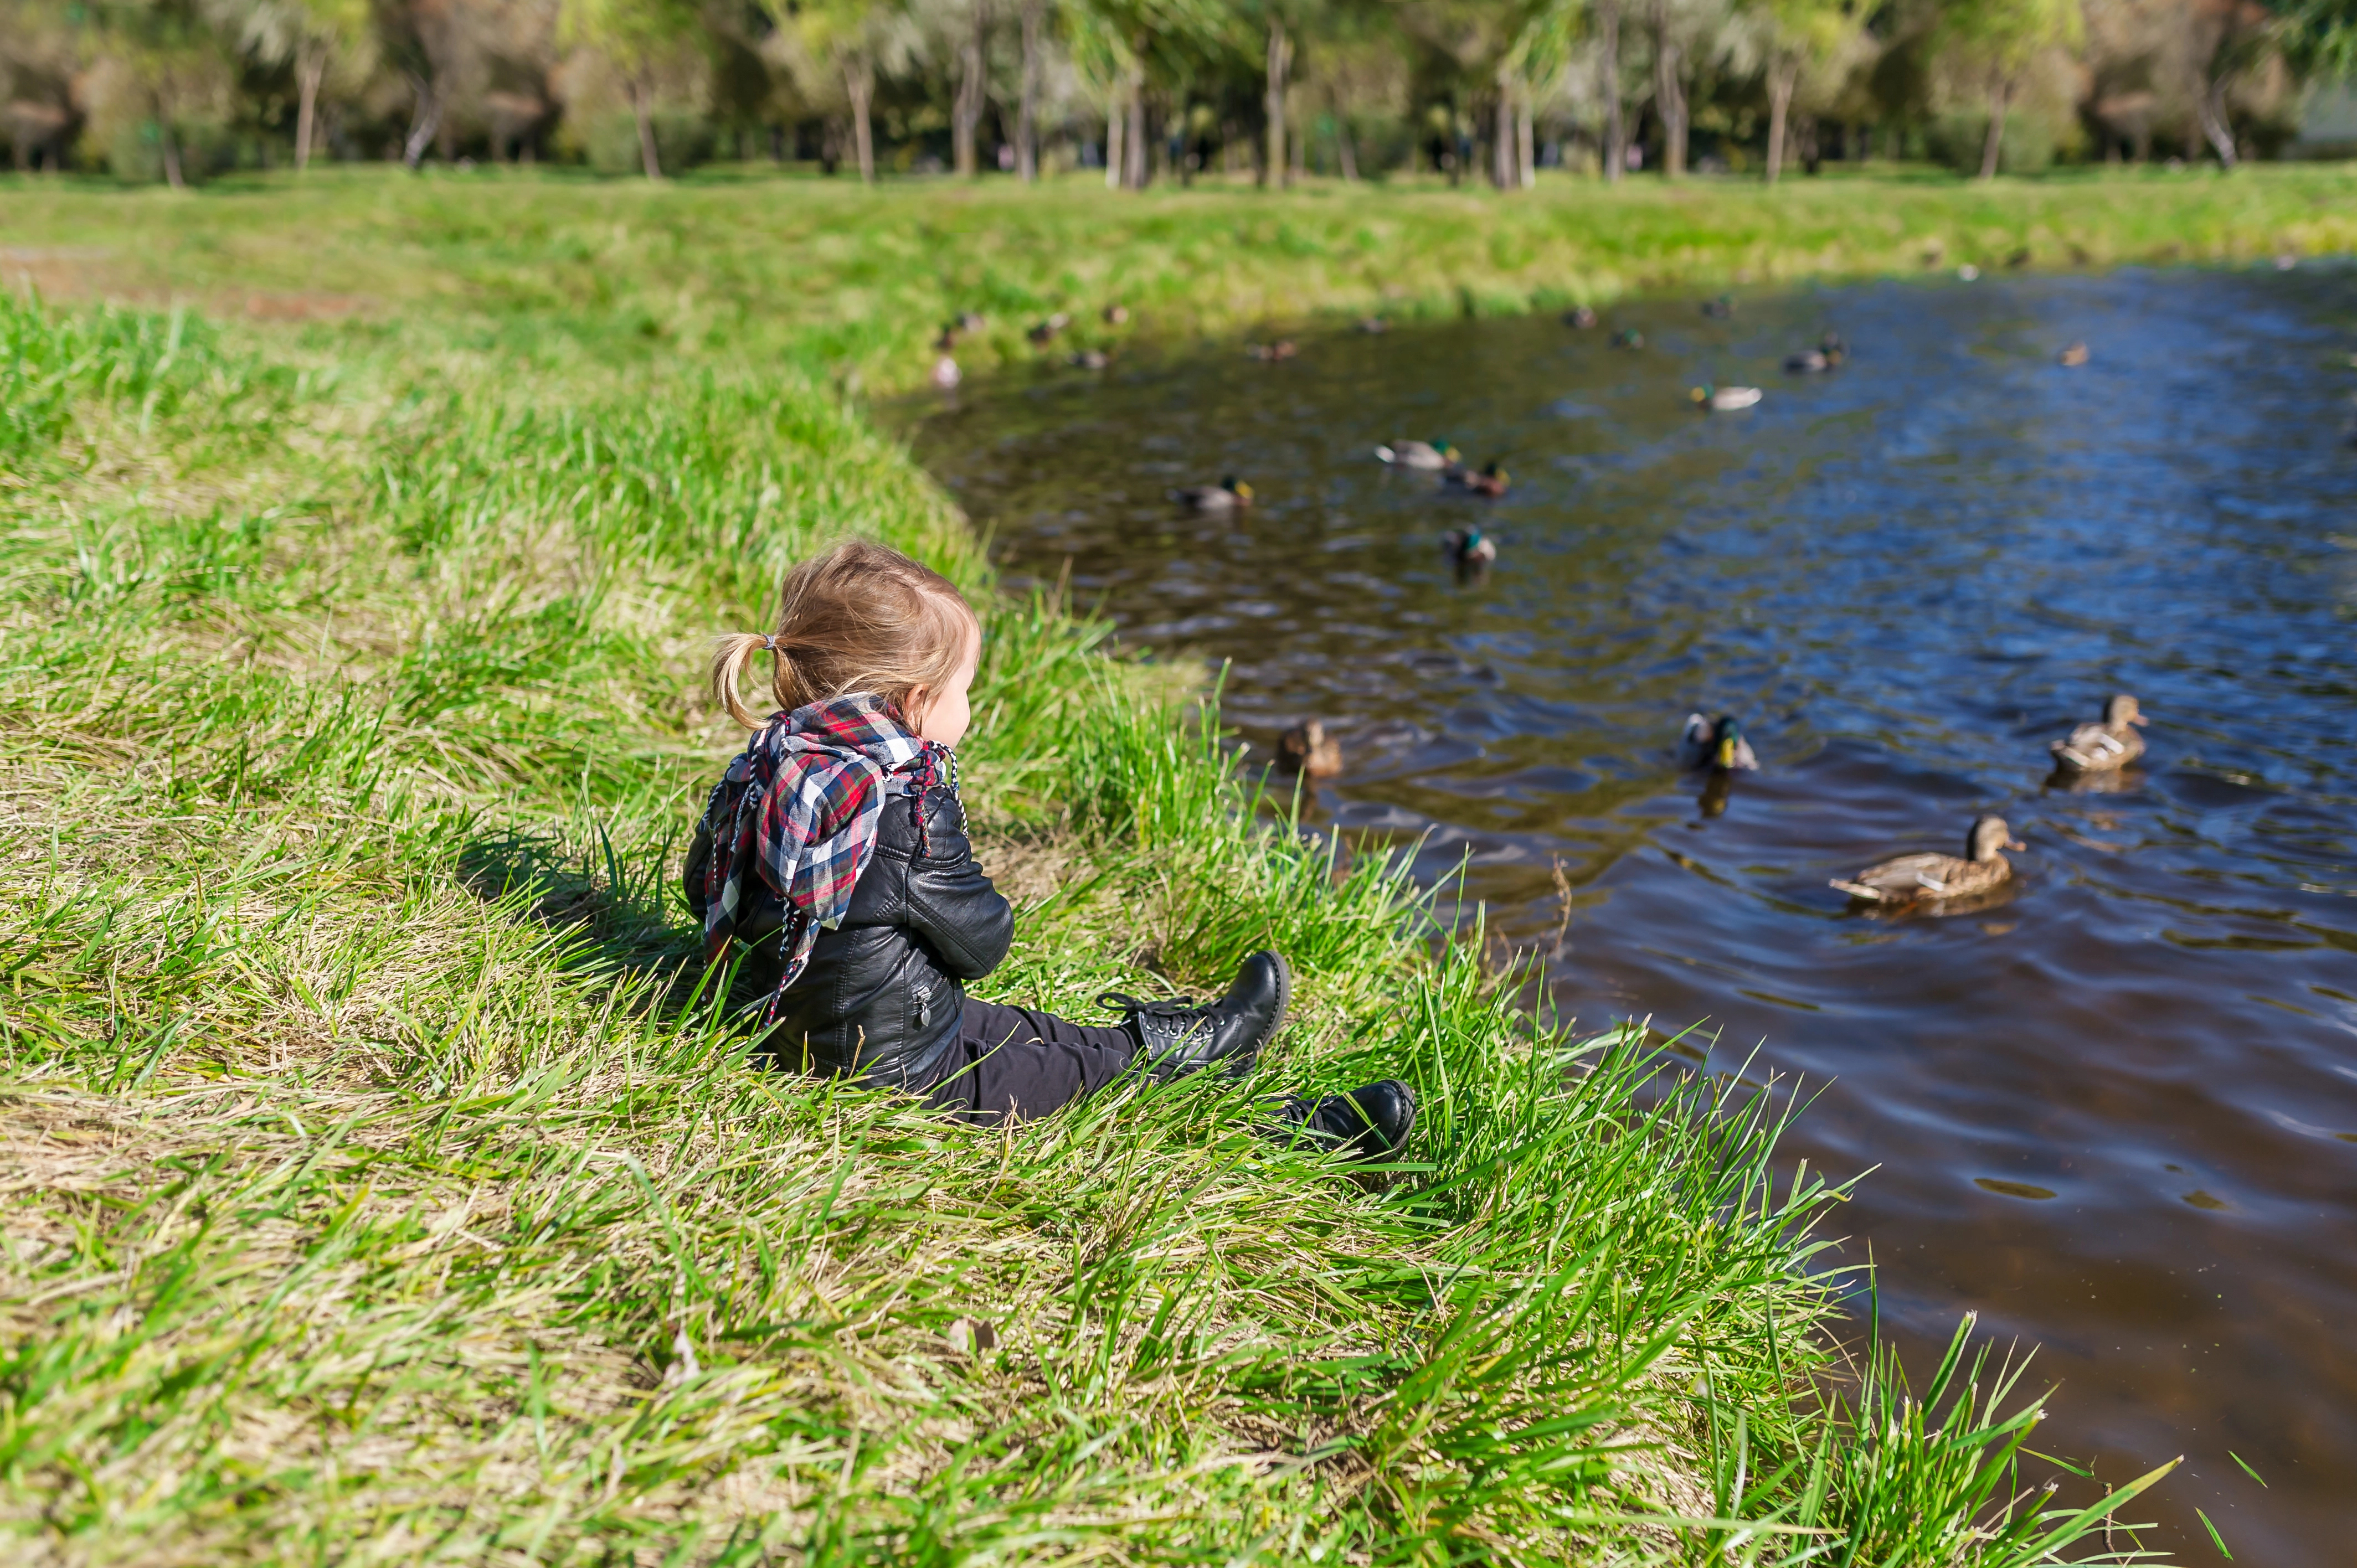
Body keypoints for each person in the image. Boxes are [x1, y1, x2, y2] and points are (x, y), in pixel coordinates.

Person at [684, 538, 1417, 1160]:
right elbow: (983, 944)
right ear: (915, 703)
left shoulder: (770, 762)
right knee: (1101, 1092)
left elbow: (701, 885)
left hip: (809, 1030)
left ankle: (1198, 1039)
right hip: (899, 1075)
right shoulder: (903, 801)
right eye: (964, 690)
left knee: (1039, 1036)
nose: (971, 709)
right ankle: (1311, 1129)